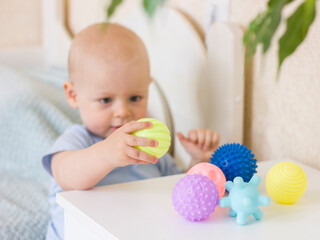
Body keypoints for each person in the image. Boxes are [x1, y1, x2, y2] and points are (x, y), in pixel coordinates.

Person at [42, 23, 220, 240]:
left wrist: (198, 161)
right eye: (105, 100)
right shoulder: (79, 140)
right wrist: (107, 153)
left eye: (135, 98)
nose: (122, 112)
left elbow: (177, 191)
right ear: (73, 95)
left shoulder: (148, 148)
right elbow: (65, 175)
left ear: (148, 88)